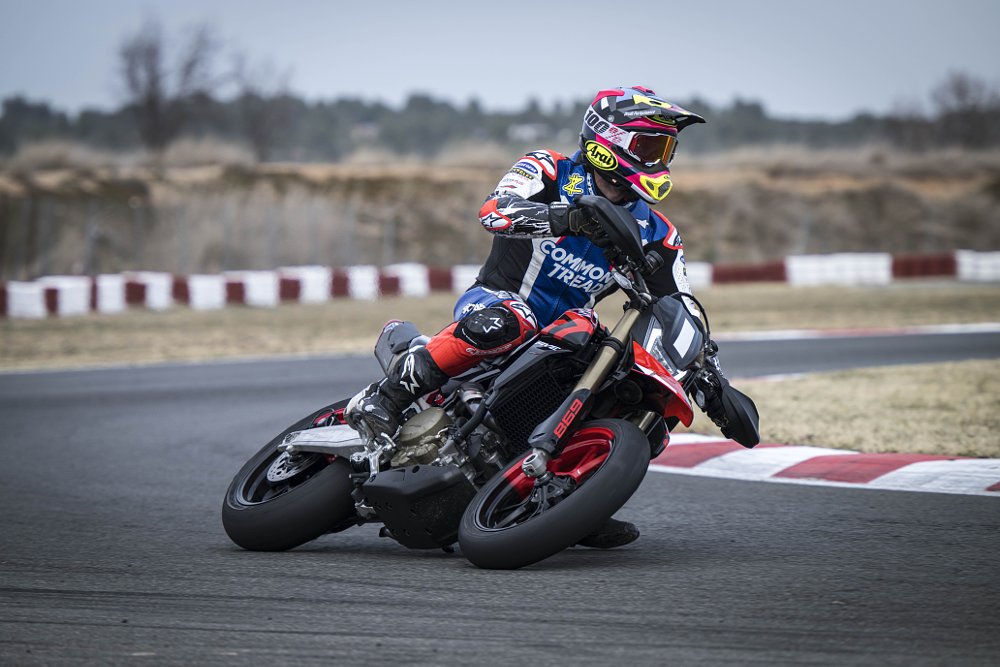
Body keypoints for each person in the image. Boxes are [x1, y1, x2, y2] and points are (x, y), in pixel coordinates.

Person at [347, 86, 732, 549]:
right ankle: (387, 398)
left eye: (664, 149)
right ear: (608, 142)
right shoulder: (548, 168)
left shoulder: (659, 232)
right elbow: (494, 211)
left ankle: (576, 497)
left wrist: (711, 377)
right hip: (497, 302)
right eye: (649, 146)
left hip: (567, 334)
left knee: (640, 392)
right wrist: (567, 219)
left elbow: (681, 305)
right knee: (515, 318)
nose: (659, 159)